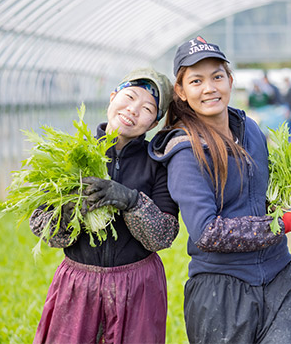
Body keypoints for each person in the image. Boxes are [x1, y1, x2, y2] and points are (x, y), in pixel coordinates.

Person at [149, 36, 291, 344]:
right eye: (196, 81)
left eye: (217, 77)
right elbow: (207, 232)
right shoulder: (185, 150)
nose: (210, 88)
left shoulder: (249, 128)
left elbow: (270, 191)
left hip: (279, 278)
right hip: (222, 292)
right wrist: (279, 223)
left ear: (231, 80)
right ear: (181, 92)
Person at [29, 68, 179, 343]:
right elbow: (41, 225)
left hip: (138, 287)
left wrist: (130, 201)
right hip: (78, 285)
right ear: (113, 97)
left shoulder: (158, 164)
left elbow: (164, 235)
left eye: (147, 108)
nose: (133, 110)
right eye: (129, 96)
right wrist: (71, 209)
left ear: (153, 123)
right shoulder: (70, 153)